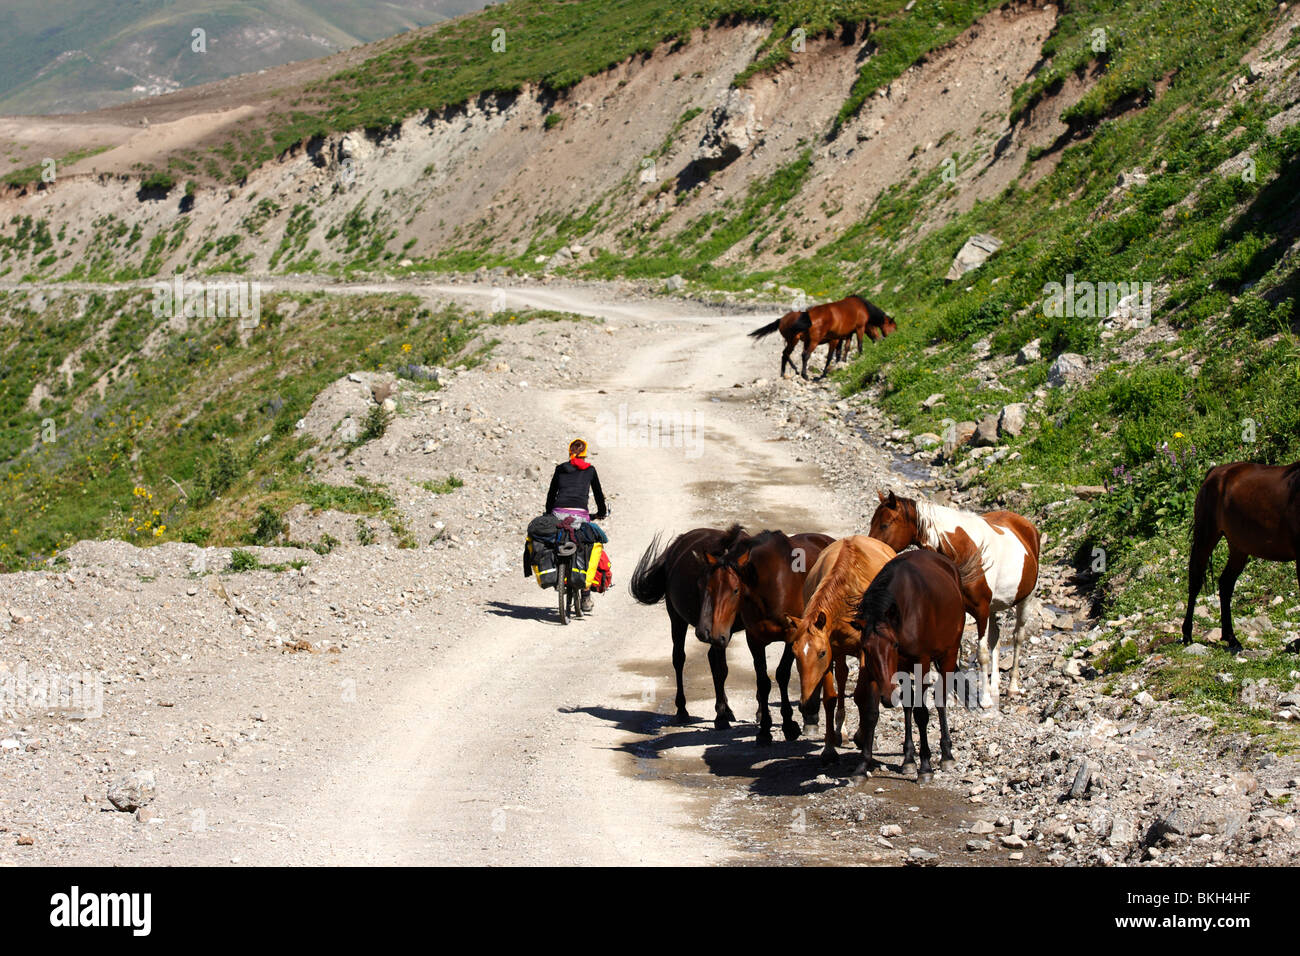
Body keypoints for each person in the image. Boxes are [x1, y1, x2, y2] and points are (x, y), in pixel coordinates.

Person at [545, 438, 607, 612]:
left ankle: (558, 573)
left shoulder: (560, 469)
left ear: (569, 452)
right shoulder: (590, 470)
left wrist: (550, 513)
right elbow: (598, 494)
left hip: (559, 512)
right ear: (585, 454)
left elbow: (551, 494)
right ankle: (586, 595)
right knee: (588, 546)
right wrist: (601, 512)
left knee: (556, 541)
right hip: (580, 514)